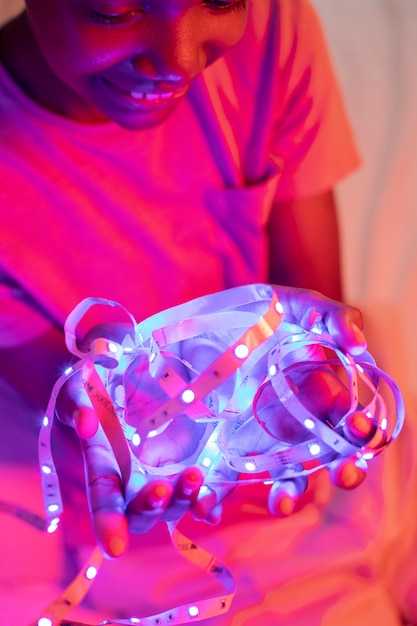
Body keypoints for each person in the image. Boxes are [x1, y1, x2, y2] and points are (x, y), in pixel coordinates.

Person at [0, 1, 383, 624]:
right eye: (113, 11)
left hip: (311, 503)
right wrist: (116, 426)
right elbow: (75, 416)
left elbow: (316, 314)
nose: (179, 62)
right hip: (117, 533)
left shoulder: (272, 28)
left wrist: (312, 384)